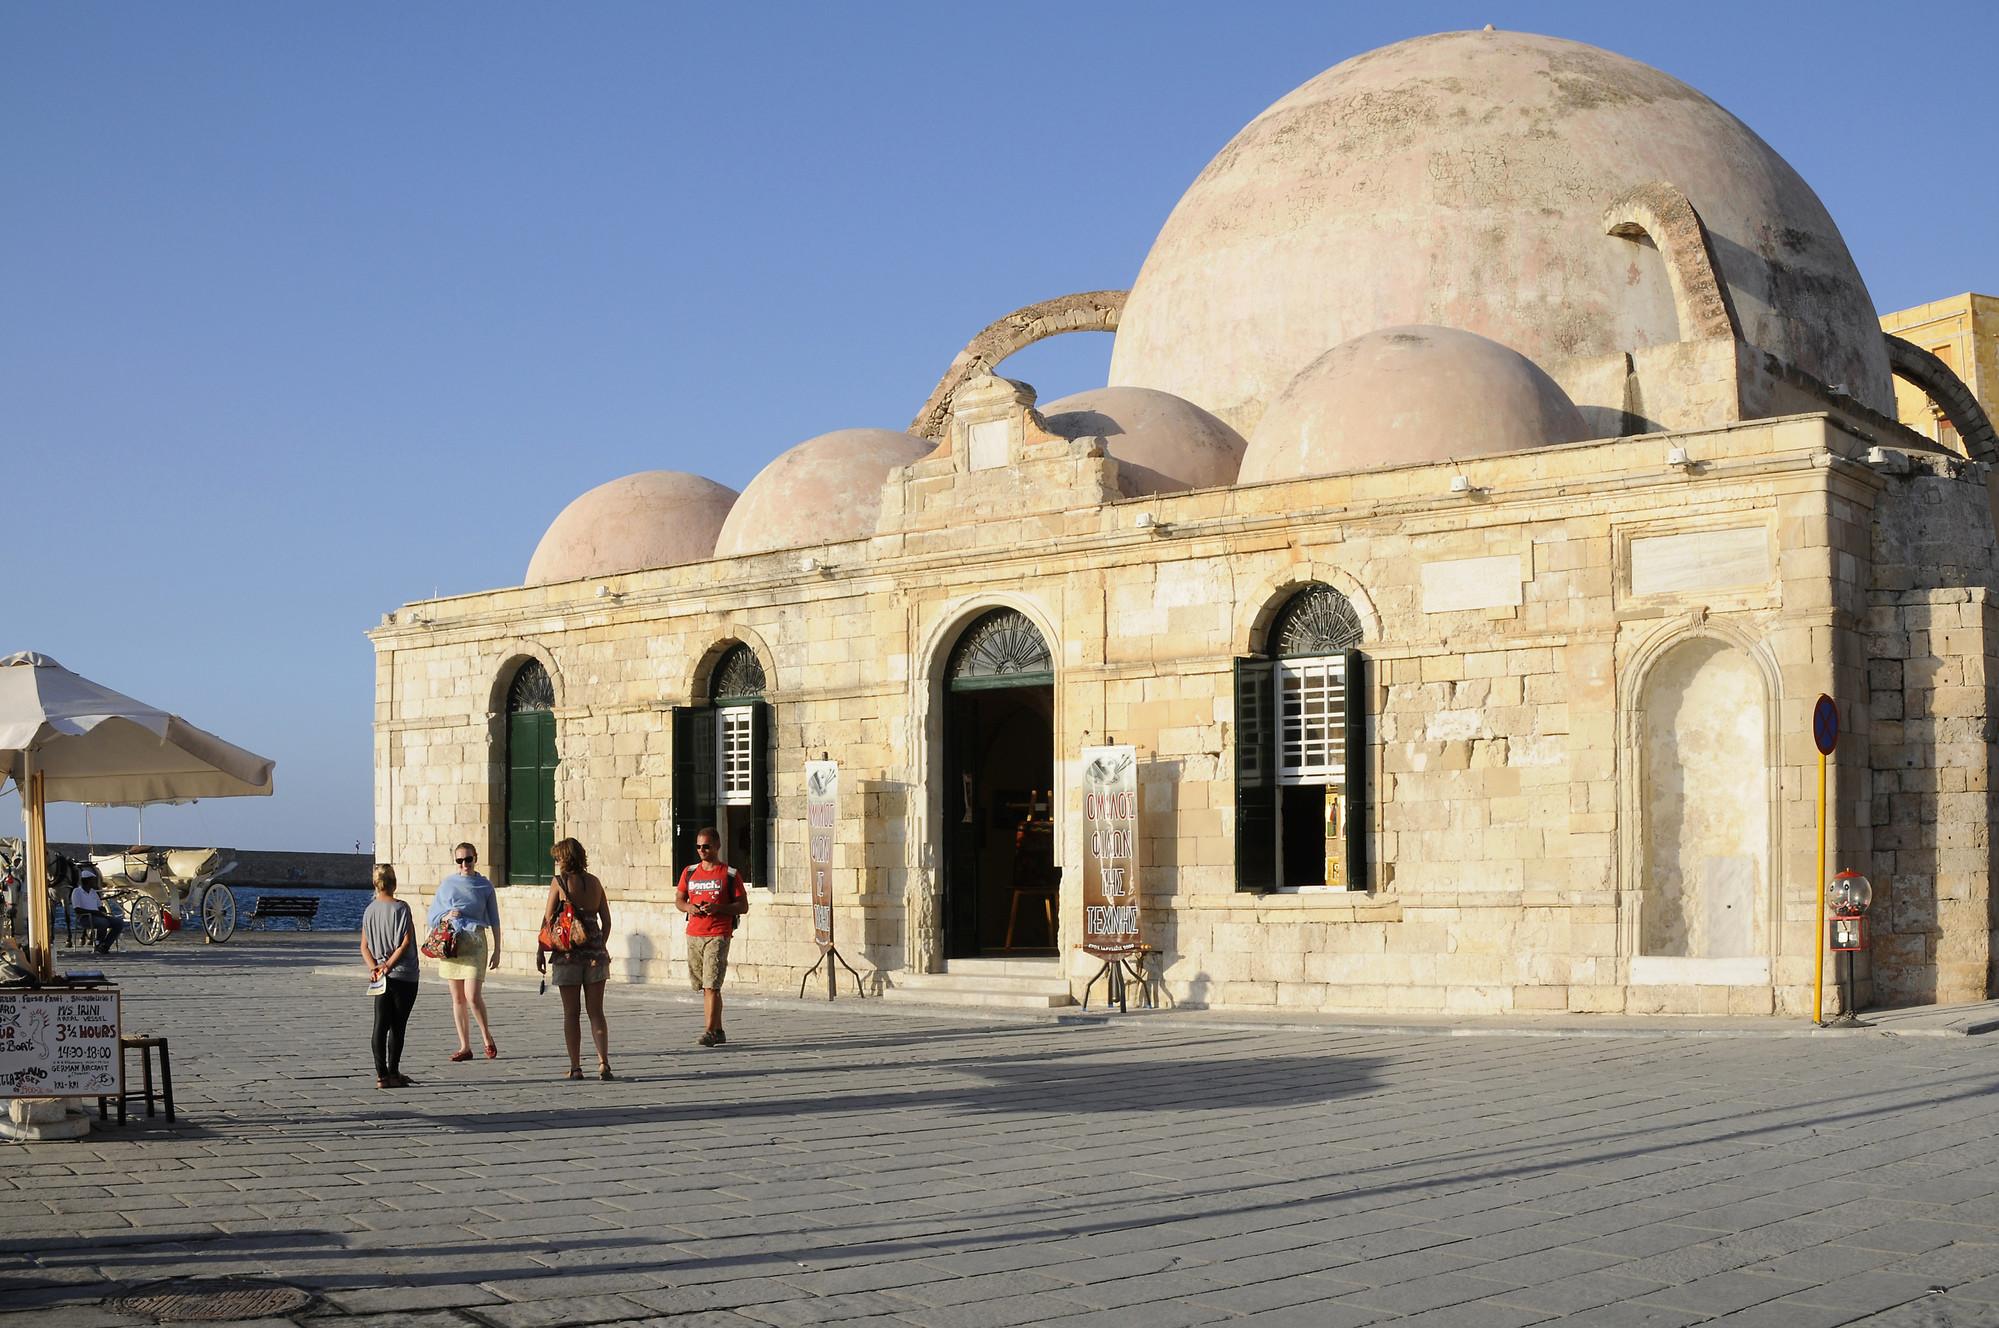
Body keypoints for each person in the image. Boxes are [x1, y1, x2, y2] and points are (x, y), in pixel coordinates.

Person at [535, 837, 614, 1080]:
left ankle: (576, 1066)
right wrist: (599, 944)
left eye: (557, 857)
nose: (556, 862)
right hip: (596, 955)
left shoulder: (560, 882)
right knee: (596, 1012)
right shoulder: (595, 882)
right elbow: (607, 921)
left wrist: (540, 949)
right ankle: (603, 1063)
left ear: (564, 858)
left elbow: (549, 919)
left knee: (571, 1013)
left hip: (568, 954)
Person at [428, 841, 501, 1062]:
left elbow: (495, 920)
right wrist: (447, 916)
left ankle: (486, 1037)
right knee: (458, 998)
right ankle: (464, 1046)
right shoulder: (447, 884)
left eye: (468, 859)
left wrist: (498, 949)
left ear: (475, 858)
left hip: (476, 941)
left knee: (472, 996)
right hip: (453, 943)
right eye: (460, 860)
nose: (464, 864)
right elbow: (433, 915)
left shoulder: (485, 886)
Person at [675, 826, 747, 1046]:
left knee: (712, 984)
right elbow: (679, 900)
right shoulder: (689, 872)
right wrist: (689, 907)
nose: (702, 850)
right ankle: (718, 1028)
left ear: (717, 846)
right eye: (698, 847)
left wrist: (718, 908)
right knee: (704, 985)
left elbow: (742, 906)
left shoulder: (730, 874)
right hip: (694, 933)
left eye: (706, 846)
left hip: (718, 932)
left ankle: (709, 1031)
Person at [360, 864, 420, 1089]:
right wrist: (388, 965)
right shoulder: (401, 908)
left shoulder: (369, 910)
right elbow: (405, 942)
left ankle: (381, 1075)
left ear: (375, 884)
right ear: (394, 883)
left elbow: (364, 946)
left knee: (380, 1024)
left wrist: (374, 967)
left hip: (380, 977)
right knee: (398, 1026)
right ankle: (393, 1072)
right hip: (403, 974)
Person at [70, 874, 122, 954]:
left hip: (97, 916)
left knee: (118, 922)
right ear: (87, 881)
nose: (95, 883)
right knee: (103, 922)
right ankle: (98, 944)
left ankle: (105, 945)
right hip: (85, 918)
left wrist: (103, 911)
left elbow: (100, 906)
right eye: (93, 881)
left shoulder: (93, 892)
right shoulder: (77, 892)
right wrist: (94, 912)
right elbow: (77, 910)